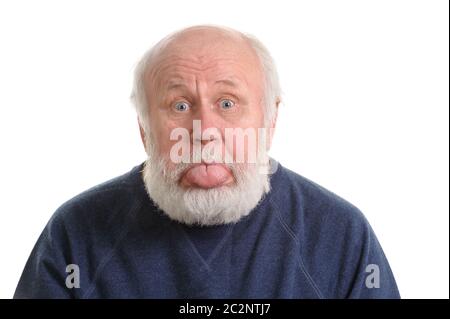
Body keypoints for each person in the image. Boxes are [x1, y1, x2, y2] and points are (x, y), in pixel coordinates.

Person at [14, 25, 400, 298]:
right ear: (144, 130)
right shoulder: (76, 234)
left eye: (227, 104)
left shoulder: (340, 234)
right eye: (180, 105)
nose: (204, 130)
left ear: (270, 120)